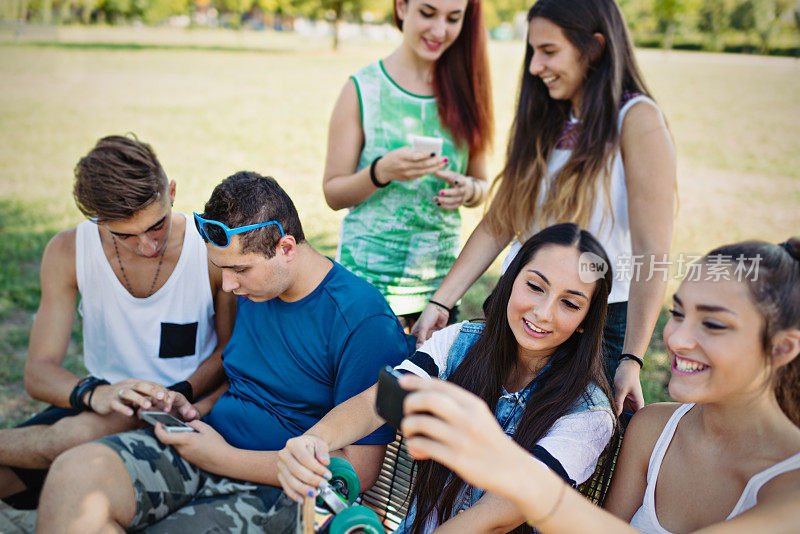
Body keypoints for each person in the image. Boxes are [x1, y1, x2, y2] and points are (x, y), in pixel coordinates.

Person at [35, 171, 411, 533]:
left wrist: (221, 457)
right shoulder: (257, 288)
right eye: (221, 269)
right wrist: (194, 408)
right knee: (72, 476)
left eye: (239, 270)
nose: (228, 285)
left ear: (286, 248)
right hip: (205, 445)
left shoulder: (362, 321)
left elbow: (358, 472)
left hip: (281, 490)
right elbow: (245, 376)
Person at [400, 238, 800, 533]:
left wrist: (504, 463)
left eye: (712, 324)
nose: (676, 339)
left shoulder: (791, 486)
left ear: (783, 347)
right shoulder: (653, 428)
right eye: (678, 314)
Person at [413, 0, 676, 416]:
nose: (535, 66)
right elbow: (501, 220)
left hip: (592, 324)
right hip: (517, 307)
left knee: (553, 457)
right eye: (533, 52)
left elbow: (653, 254)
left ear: (594, 48)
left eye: (549, 51)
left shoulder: (636, 119)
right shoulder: (549, 114)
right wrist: (441, 302)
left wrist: (632, 358)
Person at [277, 223, 616, 533]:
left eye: (569, 304)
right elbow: (378, 400)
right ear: (512, 279)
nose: (543, 313)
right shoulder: (461, 342)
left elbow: (500, 514)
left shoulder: (588, 413)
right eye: (535, 286)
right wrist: (315, 440)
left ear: (587, 318)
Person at [0, 135, 234, 510]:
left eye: (156, 226)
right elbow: (38, 373)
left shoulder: (208, 246)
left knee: (67, 443)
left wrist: (178, 394)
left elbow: (229, 352)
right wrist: (98, 394)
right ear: (97, 219)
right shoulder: (67, 251)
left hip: (186, 406)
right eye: (124, 234)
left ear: (171, 192)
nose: (146, 246)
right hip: (102, 402)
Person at [324, 0, 494, 330]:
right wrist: (380, 172)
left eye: (453, 18)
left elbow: (482, 185)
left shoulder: (468, 92)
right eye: (428, 13)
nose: (440, 30)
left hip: (438, 295)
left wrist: (468, 190)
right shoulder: (362, 89)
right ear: (402, 7)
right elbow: (333, 193)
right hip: (365, 289)